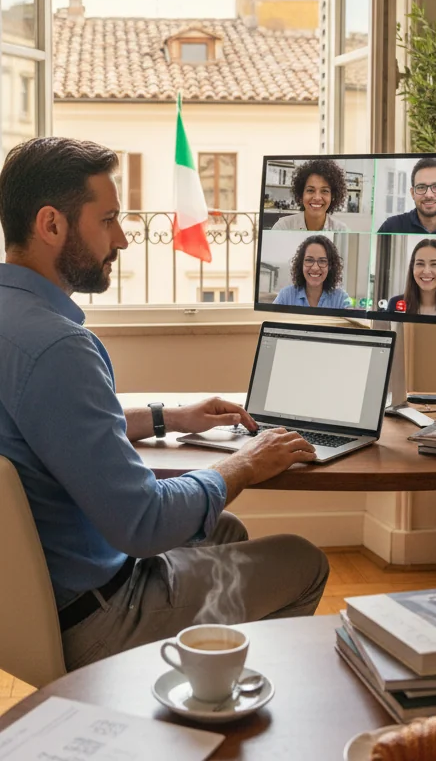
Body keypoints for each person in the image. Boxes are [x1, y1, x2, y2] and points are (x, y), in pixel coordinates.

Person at [0, 138, 329, 672]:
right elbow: (145, 523)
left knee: (227, 534)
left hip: (28, 602)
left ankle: (200, 700)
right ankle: (217, 715)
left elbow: (53, 432)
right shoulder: (60, 347)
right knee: (302, 561)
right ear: (51, 225)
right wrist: (243, 464)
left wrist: (167, 418)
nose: (124, 239)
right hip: (99, 617)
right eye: (108, 220)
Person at [273, 234, 353, 309]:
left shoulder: (340, 299)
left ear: (330, 266)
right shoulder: (286, 296)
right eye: (309, 260)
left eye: (322, 261)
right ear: (301, 264)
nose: (315, 268)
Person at [272, 157, 350, 231]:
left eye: (324, 191)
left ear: (332, 196)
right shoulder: (283, 227)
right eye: (310, 190)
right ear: (301, 194)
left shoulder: (341, 229)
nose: (317, 197)